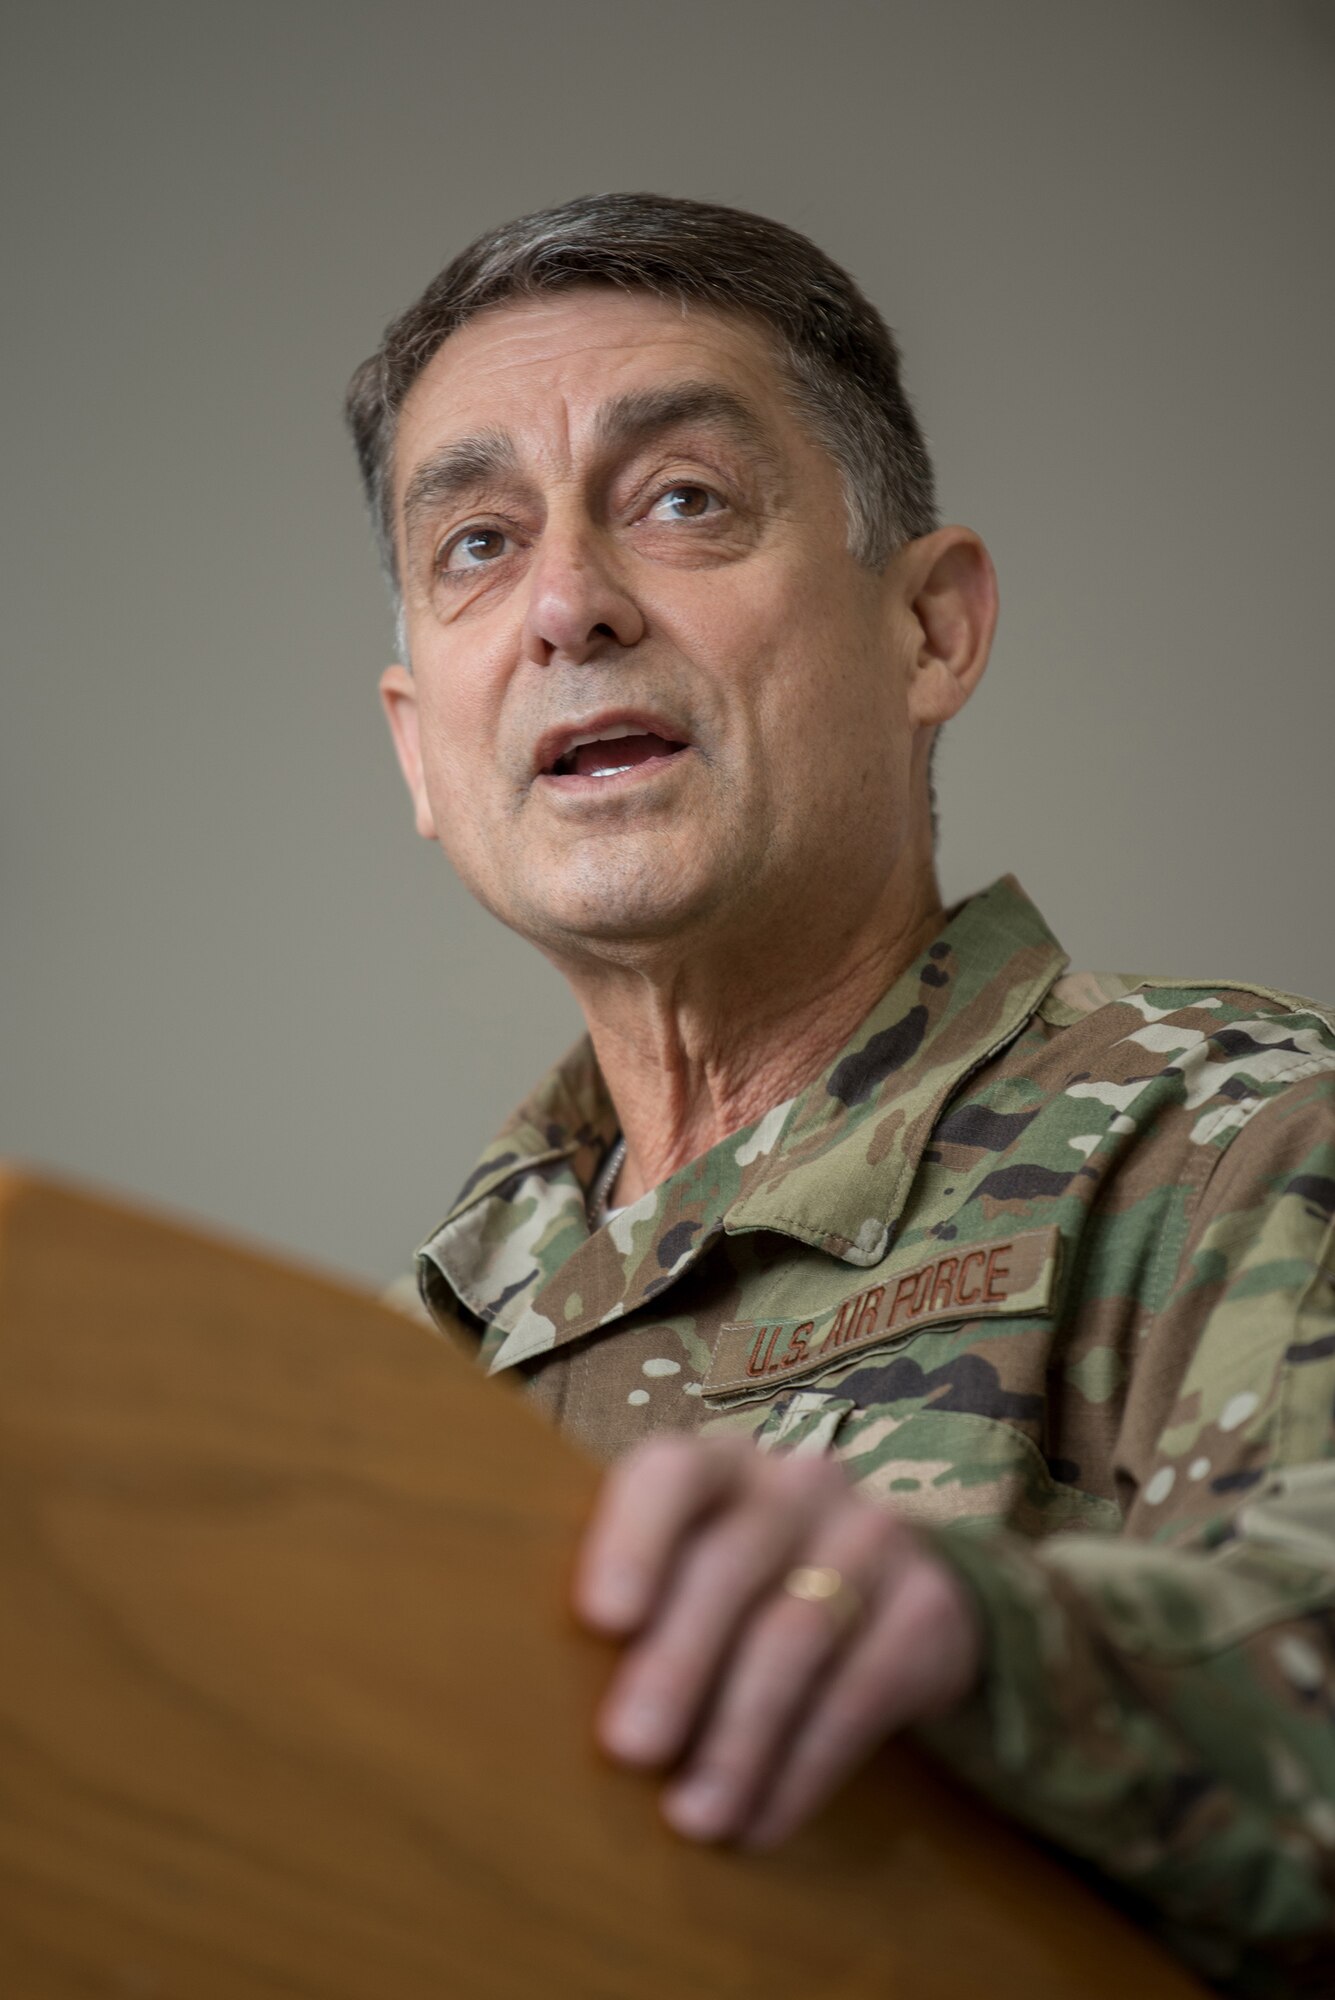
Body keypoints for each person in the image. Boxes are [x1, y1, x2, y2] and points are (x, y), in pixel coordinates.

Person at [345, 193, 1335, 1994]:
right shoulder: (389, 1388)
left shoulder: (1247, 1146)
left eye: (683, 501)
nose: (568, 603)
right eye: (478, 541)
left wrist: (979, 1645)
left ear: (932, 631)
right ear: (424, 746)